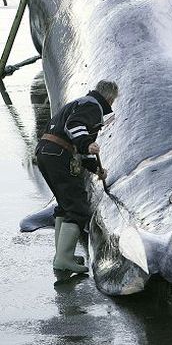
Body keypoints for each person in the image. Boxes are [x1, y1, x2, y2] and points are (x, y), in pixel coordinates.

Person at [35, 80, 119, 279]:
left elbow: (78, 143)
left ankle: (63, 256)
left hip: (45, 152)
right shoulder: (93, 106)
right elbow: (75, 127)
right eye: (113, 101)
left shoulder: (79, 103)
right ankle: (64, 260)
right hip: (59, 155)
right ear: (109, 98)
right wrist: (87, 143)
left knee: (64, 205)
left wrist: (96, 168)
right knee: (78, 207)